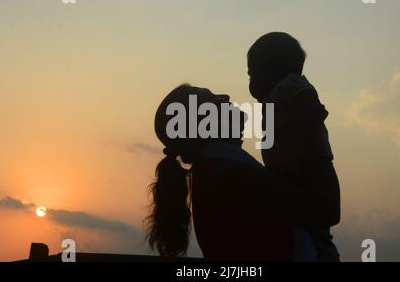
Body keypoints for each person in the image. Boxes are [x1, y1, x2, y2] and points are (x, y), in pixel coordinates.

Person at [145, 84, 339, 261]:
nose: (225, 95)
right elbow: (325, 211)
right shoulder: (225, 175)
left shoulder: (217, 171)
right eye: (212, 97)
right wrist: (313, 128)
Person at [247, 32, 341, 261]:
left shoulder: (288, 86)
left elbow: (306, 98)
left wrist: (307, 120)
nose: (249, 83)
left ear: (268, 71)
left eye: (251, 74)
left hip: (303, 172)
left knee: (314, 244)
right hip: (295, 176)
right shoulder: (276, 98)